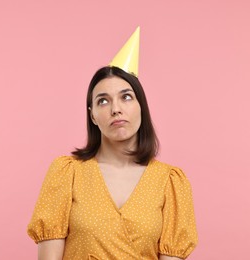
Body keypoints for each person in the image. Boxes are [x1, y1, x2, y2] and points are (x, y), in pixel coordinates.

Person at [27, 27, 198, 260]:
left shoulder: (170, 182)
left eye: (126, 97)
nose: (116, 108)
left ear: (141, 106)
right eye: (103, 101)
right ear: (93, 115)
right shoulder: (67, 173)